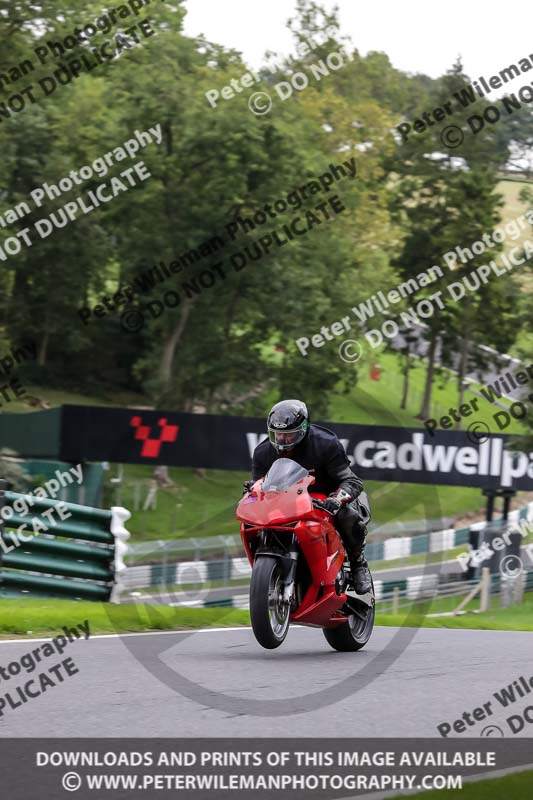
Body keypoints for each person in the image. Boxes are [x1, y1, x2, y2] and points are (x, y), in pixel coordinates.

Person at [246, 399, 371, 594]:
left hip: (326, 500)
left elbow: (352, 481)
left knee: (347, 515)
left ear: (303, 430)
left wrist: (336, 500)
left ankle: (358, 563)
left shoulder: (325, 444)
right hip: (287, 502)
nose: (282, 441)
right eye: (278, 434)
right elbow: (260, 486)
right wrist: (252, 492)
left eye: (289, 435)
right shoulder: (263, 452)